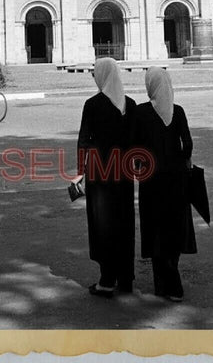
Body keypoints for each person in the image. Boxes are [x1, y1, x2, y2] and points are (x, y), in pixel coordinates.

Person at [77, 57, 137, 297]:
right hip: (124, 173)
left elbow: (84, 141)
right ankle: (125, 279)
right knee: (123, 223)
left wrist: (80, 172)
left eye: (95, 72)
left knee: (103, 226)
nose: (93, 76)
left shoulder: (92, 105)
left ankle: (107, 280)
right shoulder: (130, 105)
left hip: (100, 174)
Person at [135, 67, 196, 302]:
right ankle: (169, 280)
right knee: (173, 227)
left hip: (151, 178)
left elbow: (135, 147)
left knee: (156, 228)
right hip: (177, 178)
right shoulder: (178, 111)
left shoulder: (141, 112)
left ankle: (168, 284)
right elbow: (188, 145)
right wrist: (180, 160)